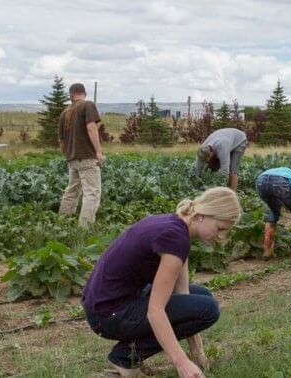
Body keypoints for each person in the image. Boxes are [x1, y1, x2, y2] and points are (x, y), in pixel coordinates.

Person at [82, 187, 242, 377]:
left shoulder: (176, 226)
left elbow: (182, 294)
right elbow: (155, 311)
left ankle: (127, 356)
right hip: (107, 314)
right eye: (220, 228)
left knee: (203, 298)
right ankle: (125, 359)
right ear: (203, 215)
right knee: (208, 310)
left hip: (108, 302)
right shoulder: (175, 240)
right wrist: (182, 363)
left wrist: (197, 352)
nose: (221, 237)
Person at [58, 82, 104, 227]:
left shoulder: (64, 113)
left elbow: (61, 140)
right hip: (87, 156)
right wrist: (98, 152)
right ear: (84, 93)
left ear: (71, 95)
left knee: (72, 190)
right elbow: (91, 127)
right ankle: (85, 228)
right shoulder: (87, 105)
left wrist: (68, 155)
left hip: (72, 159)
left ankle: (62, 223)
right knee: (92, 193)